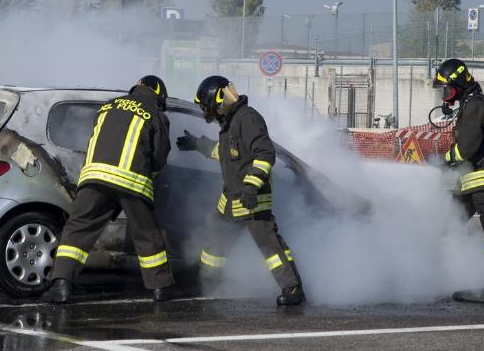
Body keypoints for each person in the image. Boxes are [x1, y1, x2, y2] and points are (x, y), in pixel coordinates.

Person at [42, 75, 176, 303]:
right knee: (146, 233)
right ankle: (160, 287)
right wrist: (152, 175)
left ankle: (61, 285)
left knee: (77, 228)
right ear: (158, 94)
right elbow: (160, 155)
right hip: (132, 180)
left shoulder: (108, 106)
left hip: (95, 177)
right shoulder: (155, 113)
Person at [177, 76, 305, 306]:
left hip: (252, 199)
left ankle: (293, 288)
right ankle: (206, 280)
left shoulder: (248, 119)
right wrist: (198, 144)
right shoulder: (230, 122)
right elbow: (226, 153)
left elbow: (265, 154)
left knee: (270, 246)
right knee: (216, 243)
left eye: (207, 107)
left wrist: (250, 187)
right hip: (230, 200)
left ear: (217, 101)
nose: (208, 113)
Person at [433, 59, 484, 281]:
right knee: (452, 219)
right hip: (468, 176)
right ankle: (440, 262)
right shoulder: (469, 103)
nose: (446, 93)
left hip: (481, 174)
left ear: (458, 82)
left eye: (448, 87)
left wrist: (445, 159)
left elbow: (467, 147)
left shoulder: (476, 105)